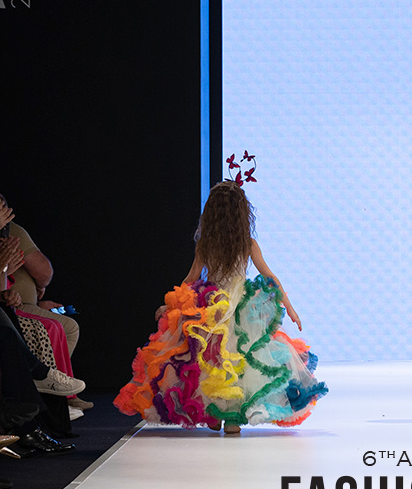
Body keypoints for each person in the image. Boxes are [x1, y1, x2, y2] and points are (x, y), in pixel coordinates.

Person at [115, 177, 326, 432]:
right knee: (239, 358)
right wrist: (289, 306)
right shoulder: (247, 243)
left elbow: (191, 278)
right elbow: (269, 276)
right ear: (242, 214)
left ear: (212, 213)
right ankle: (232, 417)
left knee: (211, 358)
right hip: (240, 306)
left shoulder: (207, 244)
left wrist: (171, 303)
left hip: (212, 303)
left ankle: (214, 412)